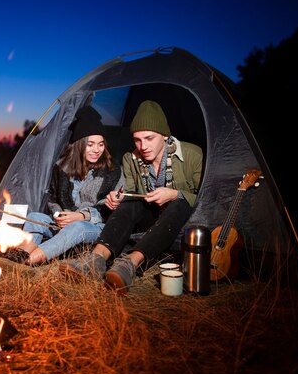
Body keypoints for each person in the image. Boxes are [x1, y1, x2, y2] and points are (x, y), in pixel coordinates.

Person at [58, 100, 203, 294]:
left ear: (165, 136)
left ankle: (129, 264)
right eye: (137, 139)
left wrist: (175, 193)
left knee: (179, 203)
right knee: (131, 202)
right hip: (149, 216)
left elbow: (206, 197)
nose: (143, 146)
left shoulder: (192, 154)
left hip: (180, 219)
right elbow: (132, 192)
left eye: (149, 138)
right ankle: (95, 260)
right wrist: (117, 198)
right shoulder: (131, 159)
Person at [14, 105, 124, 265]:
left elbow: (113, 210)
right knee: (33, 217)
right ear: (79, 144)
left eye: (101, 144)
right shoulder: (62, 168)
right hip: (64, 223)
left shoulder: (112, 171)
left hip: (94, 226)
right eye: (90, 144)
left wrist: (82, 216)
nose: (97, 150)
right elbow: (52, 198)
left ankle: (29, 262)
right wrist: (60, 215)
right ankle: (20, 254)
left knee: (77, 227)